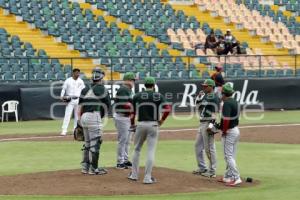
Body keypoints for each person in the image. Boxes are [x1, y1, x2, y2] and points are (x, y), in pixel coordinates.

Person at [128, 77, 171, 184]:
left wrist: (132, 124)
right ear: (154, 85)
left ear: (144, 85)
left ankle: (134, 175)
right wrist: (161, 120)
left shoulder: (137, 95)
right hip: (153, 125)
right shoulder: (158, 95)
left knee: (137, 149)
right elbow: (168, 109)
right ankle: (147, 178)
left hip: (141, 124)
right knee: (150, 151)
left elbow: (132, 112)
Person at [78, 68, 111, 175]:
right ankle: (94, 169)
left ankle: (85, 168)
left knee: (87, 143)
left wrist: (79, 120)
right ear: (101, 77)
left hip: (83, 117)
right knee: (95, 143)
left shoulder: (84, 88)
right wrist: (100, 117)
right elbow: (107, 107)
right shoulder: (102, 89)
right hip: (94, 115)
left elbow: (80, 106)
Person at [193, 79, 220, 178]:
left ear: (211, 87)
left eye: (205, 86)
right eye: (203, 86)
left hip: (208, 123)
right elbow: (198, 107)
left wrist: (211, 126)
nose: (203, 87)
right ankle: (202, 167)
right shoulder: (206, 96)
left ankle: (212, 171)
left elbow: (215, 113)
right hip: (202, 123)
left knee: (209, 148)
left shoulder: (214, 97)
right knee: (197, 146)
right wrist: (198, 98)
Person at [218, 83, 242, 186]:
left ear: (224, 94)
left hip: (230, 131)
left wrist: (224, 130)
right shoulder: (235, 102)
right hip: (235, 130)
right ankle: (228, 176)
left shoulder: (227, 103)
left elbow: (226, 119)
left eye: (221, 94)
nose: (220, 95)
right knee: (231, 155)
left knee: (228, 156)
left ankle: (236, 177)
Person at [114, 72, 136, 169]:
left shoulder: (128, 90)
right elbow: (124, 104)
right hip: (122, 117)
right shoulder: (123, 89)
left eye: (133, 80)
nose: (133, 81)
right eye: (132, 80)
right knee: (123, 140)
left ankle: (125, 160)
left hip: (127, 117)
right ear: (127, 80)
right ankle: (120, 161)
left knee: (128, 140)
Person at [60, 68, 85, 136]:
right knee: (67, 115)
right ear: (73, 73)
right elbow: (63, 89)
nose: (78, 74)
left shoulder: (81, 81)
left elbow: (83, 90)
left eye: (78, 73)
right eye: (76, 72)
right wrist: (61, 96)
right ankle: (64, 130)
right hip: (70, 99)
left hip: (78, 99)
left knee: (77, 116)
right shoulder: (68, 80)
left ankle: (75, 130)